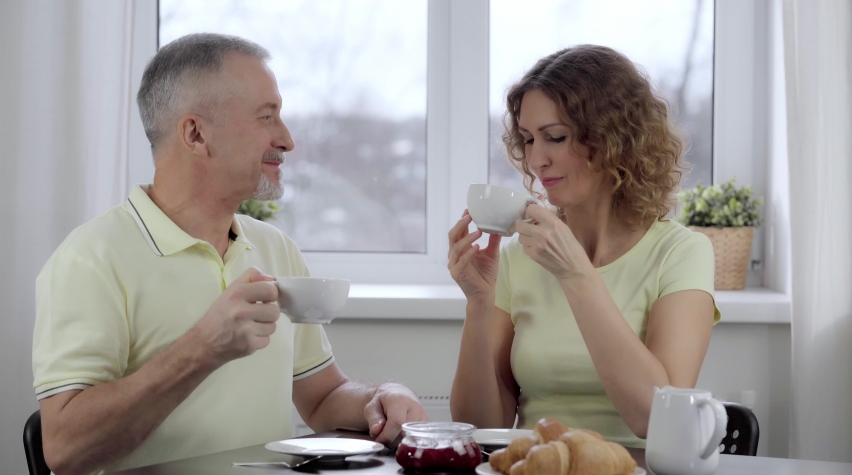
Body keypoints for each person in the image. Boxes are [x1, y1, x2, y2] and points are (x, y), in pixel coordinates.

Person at [32, 33, 427, 474]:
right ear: (196, 134)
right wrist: (202, 350)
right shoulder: (91, 259)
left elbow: (322, 398)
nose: (287, 139)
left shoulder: (275, 249)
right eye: (266, 117)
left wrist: (380, 396)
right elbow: (65, 449)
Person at [447, 45, 719, 448]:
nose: (536, 159)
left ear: (614, 139)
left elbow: (658, 418)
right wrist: (478, 304)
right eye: (528, 140)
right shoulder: (519, 257)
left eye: (555, 137)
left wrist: (575, 274)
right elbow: (480, 426)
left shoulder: (681, 254)